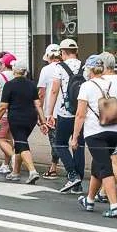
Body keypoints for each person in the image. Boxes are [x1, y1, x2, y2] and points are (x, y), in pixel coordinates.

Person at [74, 54, 117, 217]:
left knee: (104, 167)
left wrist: (75, 136)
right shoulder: (113, 85)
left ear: (90, 70)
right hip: (113, 131)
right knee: (98, 165)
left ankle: (114, 206)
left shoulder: (86, 86)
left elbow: (80, 114)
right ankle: (90, 200)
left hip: (95, 132)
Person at [0, 60, 47, 184]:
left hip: (16, 118)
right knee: (19, 142)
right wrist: (42, 121)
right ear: (25, 72)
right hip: (31, 118)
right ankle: (15, 172)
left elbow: (3, 106)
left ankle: (32, 171)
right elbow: (38, 104)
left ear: (14, 71)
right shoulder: (32, 84)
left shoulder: (9, 85)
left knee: (22, 143)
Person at [47, 39, 86, 193]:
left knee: (60, 143)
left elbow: (55, 90)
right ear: (76, 51)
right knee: (79, 146)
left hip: (65, 112)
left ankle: (72, 174)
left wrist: (49, 113)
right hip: (81, 114)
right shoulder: (85, 67)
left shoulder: (59, 67)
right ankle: (78, 183)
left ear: (62, 52)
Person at [37, 44, 62, 178]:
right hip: (69, 111)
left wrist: (40, 112)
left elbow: (41, 93)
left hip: (51, 112)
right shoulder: (68, 67)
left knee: (54, 141)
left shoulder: (46, 70)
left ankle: (53, 168)